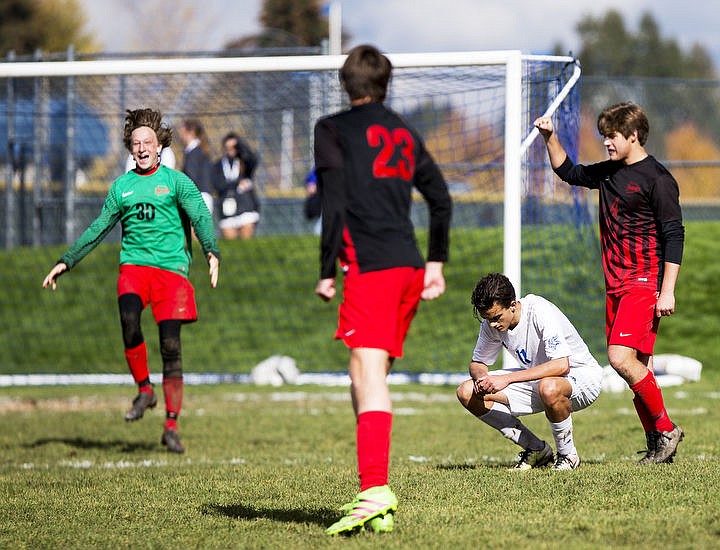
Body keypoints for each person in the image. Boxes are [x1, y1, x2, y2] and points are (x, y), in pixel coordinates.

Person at [314, 44, 452, 535]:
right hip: (409, 269)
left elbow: (334, 199)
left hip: (371, 269)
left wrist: (327, 269)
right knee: (369, 379)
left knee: (365, 374)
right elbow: (440, 198)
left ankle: (374, 490)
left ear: (345, 84)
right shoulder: (404, 130)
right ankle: (376, 501)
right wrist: (435, 263)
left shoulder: (331, 128)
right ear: (385, 84)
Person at [42, 108, 220, 454]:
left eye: (147, 142)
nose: (141, 148)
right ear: (130, 148)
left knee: (171, 347)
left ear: (159, 147)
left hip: (171, 273)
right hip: (134, 269)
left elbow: (199, 213)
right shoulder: (121, 187)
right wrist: (67, 260)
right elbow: (97, 229)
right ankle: (144, 389)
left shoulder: (175, 182)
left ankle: (171, 425)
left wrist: (211, 251)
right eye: (135, 143)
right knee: (128, 317)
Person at [534, 102, 685, 464]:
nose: (606, 142)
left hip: (644, 282)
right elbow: (569, 172)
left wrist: (667, 290)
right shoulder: (609, 172)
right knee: (640, 367)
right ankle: (657, 444)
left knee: (619, 359)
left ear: (634, 135)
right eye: (604, 136)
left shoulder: (659, 179)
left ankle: (666, 429)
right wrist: (550, 136)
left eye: (613, 136)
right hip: (616, 284)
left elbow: (674, 235)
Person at [456, 273, 603, 471]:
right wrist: (482, 378)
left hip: (582, 378)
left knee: (549, 386)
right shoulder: (492, 322)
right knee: (467, 391)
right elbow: (477, 363)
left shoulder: (538, 310)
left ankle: (568, 456)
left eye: (497, 317)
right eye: (487, 319)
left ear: (513, 305)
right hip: (541, 380)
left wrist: (506, 379)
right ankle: (536, 450)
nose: (493, 324)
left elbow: (561, 365)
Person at [211, 132, 260, 239]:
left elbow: (254, 160)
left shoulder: (244, 162)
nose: (231, 149)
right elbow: (218, 185)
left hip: (245, 207)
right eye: (227, 147)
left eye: (234, 147)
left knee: (247, 244)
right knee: (231, 244)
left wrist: (241, 146)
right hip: (227, 207)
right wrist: (235, 183)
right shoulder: (219, 165)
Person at [178, 119, 214, 216]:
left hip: (196, 198)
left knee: (192, 231)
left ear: (191, 132)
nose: (180, 135)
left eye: (182, 132)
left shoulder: (193, 152)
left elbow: (191, 177)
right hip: (204, 197)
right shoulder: (201, 150)